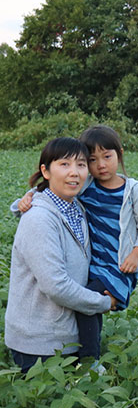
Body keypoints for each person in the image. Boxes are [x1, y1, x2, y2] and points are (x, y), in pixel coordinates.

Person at [14, 125, 138, 362]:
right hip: (95, 265)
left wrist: (136, 254)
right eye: (92, 160)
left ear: (119, 154)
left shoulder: (133, 190)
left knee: (86, 302)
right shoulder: (86, 187)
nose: (101, 165)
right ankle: (86, 354)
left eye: (107, 157)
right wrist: (26, 198)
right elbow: (49, 194)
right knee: (87, 303)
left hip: (119, 265)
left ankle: (90, 361)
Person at [4, 137, 116, 373]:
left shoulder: (77, 205)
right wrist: (104, 303)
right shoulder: (39, 219)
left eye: (81, 165)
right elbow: (56, 286)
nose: (74, 173)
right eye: (64, 164)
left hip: (69, 336)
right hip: (39, 345)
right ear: (45, 171)